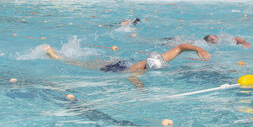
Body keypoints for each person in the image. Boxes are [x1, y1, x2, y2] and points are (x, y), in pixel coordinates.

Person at [43, 42, 210, 87]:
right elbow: (133, 78)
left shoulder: (160, 59)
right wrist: (140, 89)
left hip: (121, 62)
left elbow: (180, 47)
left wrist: (197, 49)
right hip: (114, 69)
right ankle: (57, 57)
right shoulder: (139, 69)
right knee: (81, 64)